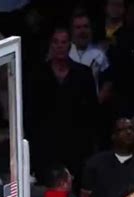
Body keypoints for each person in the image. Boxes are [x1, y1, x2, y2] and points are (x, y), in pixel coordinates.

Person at [26, 26, 98, 188]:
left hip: (77, 149)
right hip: (46, 150)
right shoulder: (37, 75)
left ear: (70, 44)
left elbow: (93, 114)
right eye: (56, 42)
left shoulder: (83, 74)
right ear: (50, 44)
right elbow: (30, 115)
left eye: (64, 42)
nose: (59, 46)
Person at [69, 11, 110, 98]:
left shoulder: (99, 54)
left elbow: (108, 82)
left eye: (86, 26)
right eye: (78, 27)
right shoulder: (64, 52)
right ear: (72, 31)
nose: (82, 31)